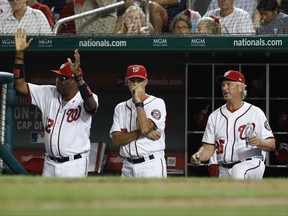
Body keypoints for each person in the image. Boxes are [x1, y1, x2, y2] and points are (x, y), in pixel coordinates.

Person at [13, 28, 99, 177]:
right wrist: (19, 55)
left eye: (63, 78)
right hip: (49, 163)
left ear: (74, 81)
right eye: (58, 77)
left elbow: (91, 105)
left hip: (75, 163)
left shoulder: (87, 97)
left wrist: (79, 78)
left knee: (73, 201)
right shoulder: (48, 92)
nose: (58, 81)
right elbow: (20, 85)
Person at [190, 70, 276, 179]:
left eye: (228, 84)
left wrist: (261, 142)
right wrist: (198, 156)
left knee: (238, 170)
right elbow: (208, 148)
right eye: (223, 85)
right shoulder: (215, 116)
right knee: (222, 193)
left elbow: (272, 144)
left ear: (240, 87)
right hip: (224, 168)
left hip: (251, 163)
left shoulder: (255, 112)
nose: (224, 88)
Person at [109, 64, 167, 178]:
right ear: (127, 81)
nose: (135, 84)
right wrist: (142, 133)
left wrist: (139, 102)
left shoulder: (157, 103)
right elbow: (116, 140)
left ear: (146, 82)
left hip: (151, 164)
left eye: (139, 80)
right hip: (127, 166)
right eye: (132, 80)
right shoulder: (120, 107)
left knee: (155, 197)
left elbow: (145, 128)